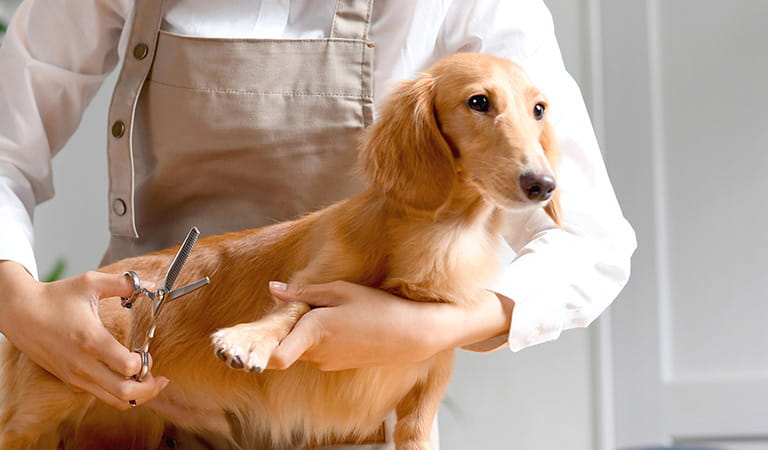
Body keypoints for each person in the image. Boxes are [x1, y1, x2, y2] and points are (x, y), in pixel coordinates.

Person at [0, 0, 637, 447]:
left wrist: (429, 327)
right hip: (135, 395)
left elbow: (590, 241)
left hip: (341, 427)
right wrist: (18, 303)